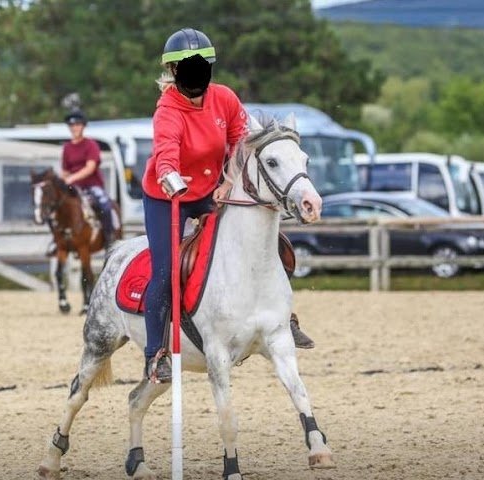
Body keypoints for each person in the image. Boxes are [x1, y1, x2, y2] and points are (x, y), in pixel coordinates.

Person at [141, 28, 314, 383]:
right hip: (169, 197)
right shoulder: (167, 111)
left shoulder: (225, 98)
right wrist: (171, 177)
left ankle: (284, 317)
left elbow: (240, 143)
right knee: (165, 271)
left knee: (271, 245)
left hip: (212, 190)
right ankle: (155, 354)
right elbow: (166, 156)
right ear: (173, 71)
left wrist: (227, 183)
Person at [54, 110, 116, 251]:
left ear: (83, 126)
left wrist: (72, 178)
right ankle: (58, 240)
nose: (75, 128)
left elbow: (90, 168)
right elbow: (65, 170)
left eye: (77, 124)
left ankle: (109, 237)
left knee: (105, 206)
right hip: (73, 187)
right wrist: (61, 180)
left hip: (92, 185)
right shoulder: (67, 147)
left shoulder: (91, 145)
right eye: (72, 125)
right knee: (57, 206)